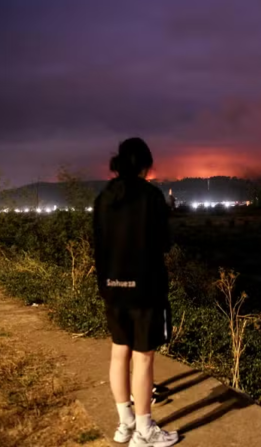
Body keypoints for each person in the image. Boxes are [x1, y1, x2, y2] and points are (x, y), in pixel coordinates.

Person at [93, 137, 179, 447]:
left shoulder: (104, 197)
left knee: (119, 352)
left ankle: (125, 422)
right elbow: (164, 243)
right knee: (143, 359)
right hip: (145, 290)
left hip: (112, 289)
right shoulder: (151, 196)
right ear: (146, 165)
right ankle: (144, 431)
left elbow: (98, 243)